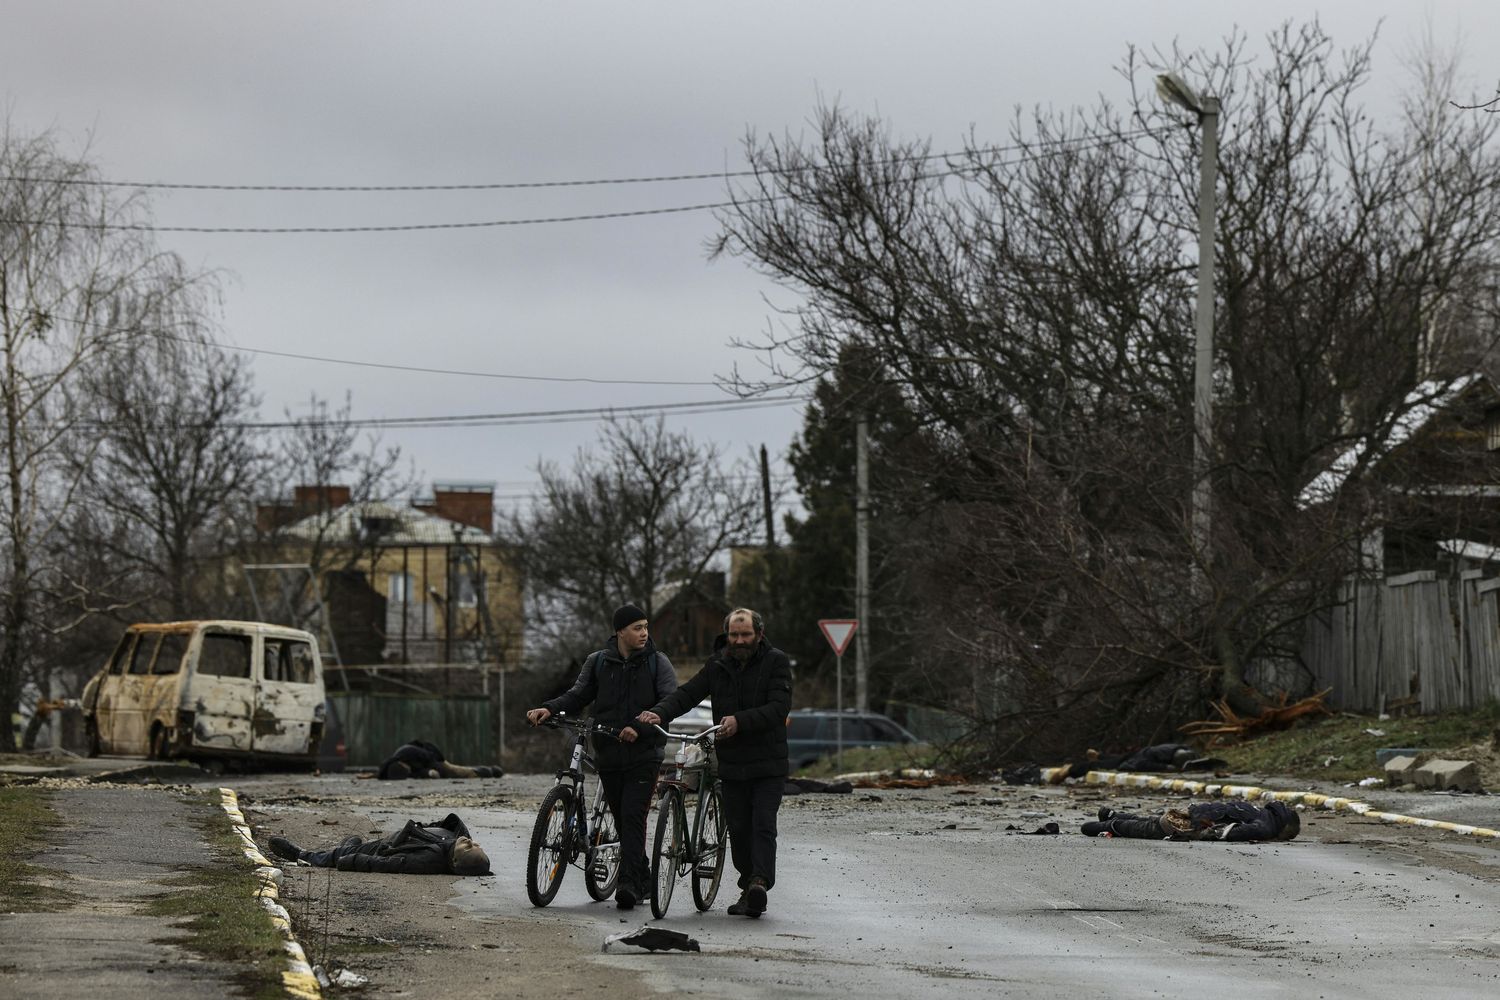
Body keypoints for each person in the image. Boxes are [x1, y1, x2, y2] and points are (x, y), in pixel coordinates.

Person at [638, 607, 792, 919]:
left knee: (762, 825)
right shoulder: (717, 664)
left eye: (745, 634)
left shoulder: (776, 662)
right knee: (738, 829)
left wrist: (740, 721)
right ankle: (748, 885)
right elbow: (688, 694)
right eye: (734, 635)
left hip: (768, 764)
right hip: (732, 763)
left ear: (759, 635)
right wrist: (660, 712)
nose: (739, 640)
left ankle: (759, 883)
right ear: (727, 635)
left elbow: (779, 707)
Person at [526, 603, 677, 910]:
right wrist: (550, 708)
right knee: (622, 820)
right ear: (620, 631)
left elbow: (669, 703)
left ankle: (628, 884)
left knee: (632, 816)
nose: (644, 633)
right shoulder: (599, 661)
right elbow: (578, 694)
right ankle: (642, 877)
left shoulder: (657, 663)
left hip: (644, 754)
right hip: (609, 752)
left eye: (646, 627)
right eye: (637, 628)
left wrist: (639, 728)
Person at [266, 813, 491, 874]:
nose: (471, 842)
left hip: (385, 849)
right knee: (351, 845)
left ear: (454, 861)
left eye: (469, 848)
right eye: (476, 844)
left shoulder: (428, 860)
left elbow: (390, 864)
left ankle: (302, 855)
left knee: (343, 853)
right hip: (394, 839)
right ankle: (347, 846)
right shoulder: (455, 840)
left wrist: (352, 861)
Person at [1080, 800, 1301, 842]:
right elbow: (1234, 833)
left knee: (1153, 821)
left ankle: (1114, 816)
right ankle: (1110, 825)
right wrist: (1207, 834)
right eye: (1289, 836)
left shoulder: (1260, 811)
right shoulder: (1265, 827)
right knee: (1148, 828)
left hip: (1193, 811)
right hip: (1190, 824)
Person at [376, 738, 503, 779]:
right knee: (454, 773)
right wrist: (428, 773)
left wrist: (440, 766)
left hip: (435, 759)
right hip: (429, 763)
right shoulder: (392, 767)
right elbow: (416, 772)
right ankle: (486, 772)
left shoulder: (409, 752)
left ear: (402, 764)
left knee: (457, 771)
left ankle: (489, 772)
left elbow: (430, 753)